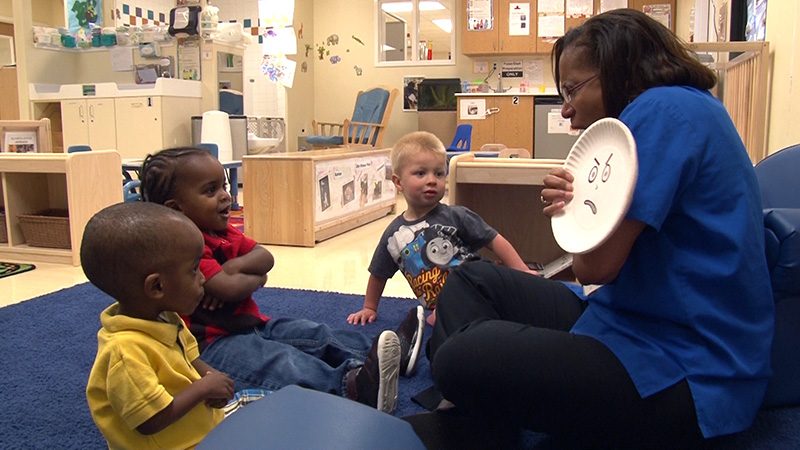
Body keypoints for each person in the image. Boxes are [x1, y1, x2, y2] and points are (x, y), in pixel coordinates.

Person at [423, 9, 774, 449]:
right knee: (470, 281)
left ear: (617, 70)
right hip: (629, 319)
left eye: (572, 89)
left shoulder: (663, 111)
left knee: (459, 357)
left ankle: (469, 413)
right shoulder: (678, 108)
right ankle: (478, 413)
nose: (566, 109)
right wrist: (580, 204)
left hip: (689, 368)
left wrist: (572, 211)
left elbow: (594, 268)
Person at [139, 146, 424, 414]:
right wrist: (247, 278)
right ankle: (352, 386)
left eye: (224, 186)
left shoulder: (222, 233)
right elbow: (229, 288)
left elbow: (265, 258)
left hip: (249, 323)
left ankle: (387, 354)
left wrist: (237, 269)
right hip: (209, 346)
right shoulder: (183, 250)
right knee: (278, 361)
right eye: (210, 190)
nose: (226, 196)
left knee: (312, 333)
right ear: (176, 209)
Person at [83, 202, 235, 449]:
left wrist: (211, 377)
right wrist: (203, 389)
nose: (203, 278)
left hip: (201, 431)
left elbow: (191, 360)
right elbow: (151, 420)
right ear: (156, 287)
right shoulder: (125, 352)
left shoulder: (167, 317)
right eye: (194, 269)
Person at [347, 131, 532, 328]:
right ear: (398, 182)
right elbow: (378, 272)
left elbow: (494, 240)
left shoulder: (456, 215)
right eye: (421, 173)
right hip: (446, 305)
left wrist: (521, 270)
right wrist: (370, 307)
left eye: (439, 173)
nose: (432, 180)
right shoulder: (394, 236)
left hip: (476, 283)